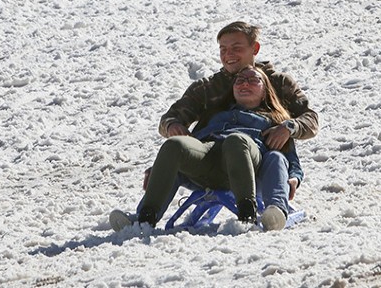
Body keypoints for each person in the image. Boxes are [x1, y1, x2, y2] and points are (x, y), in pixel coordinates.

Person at [110, 21, 318, 231]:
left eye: (236, 48)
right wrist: (171, 135)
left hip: (253, 158)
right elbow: (169, 119)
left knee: (238, 142)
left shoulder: (277, 84)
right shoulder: (208, 89)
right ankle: (143, 218)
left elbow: (309, 120)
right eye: (223, 49)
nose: (229, 54)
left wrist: (288, 129)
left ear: (254, 49)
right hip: (209, 157)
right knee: (175, 145)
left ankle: (251, 213)